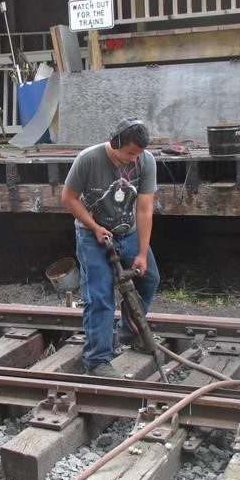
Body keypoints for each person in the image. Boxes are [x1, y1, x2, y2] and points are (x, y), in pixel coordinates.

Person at [62, 119, 160, 378]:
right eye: (129, 153)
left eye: (137, 154)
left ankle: (129, 331)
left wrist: (141, 252)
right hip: (92, 235)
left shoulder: (146, 161)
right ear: (115, 142)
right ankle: (97, 360)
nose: (132, 160)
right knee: (99, 296)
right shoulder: (88, 159)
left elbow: (144, 208)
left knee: (149, 279)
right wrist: (94, 227)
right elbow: (69, 198)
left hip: (127, 232)